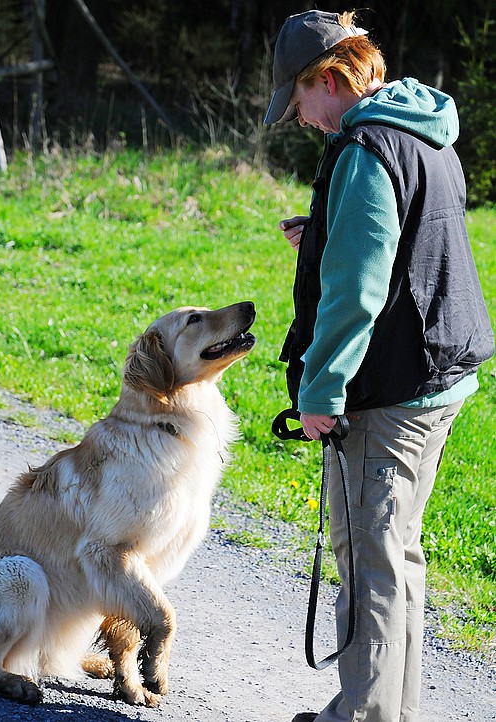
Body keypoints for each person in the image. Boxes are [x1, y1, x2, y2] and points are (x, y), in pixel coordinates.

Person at [264, 10, 494, 722]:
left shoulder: (366, 148)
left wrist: (321, 387)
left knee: (368, 565)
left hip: (391, 390)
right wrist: (325, 231)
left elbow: (357, 290)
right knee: (396, 558)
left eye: (298, 102)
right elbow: (404, 239)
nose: (300, 119)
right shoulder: (422, 129)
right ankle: (385, 712)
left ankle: (360, 718)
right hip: (438, 376)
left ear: (328, 81)